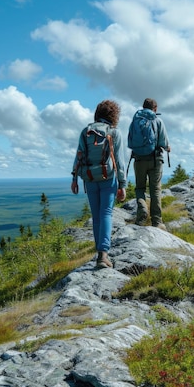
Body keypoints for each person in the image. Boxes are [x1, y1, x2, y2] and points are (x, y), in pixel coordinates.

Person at [71, 100, 127, 268]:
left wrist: (74, 178)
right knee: (106, 214)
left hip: (89, 178)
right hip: (107, 178)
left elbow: (78, 156)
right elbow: (119, 161)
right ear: (114, 116)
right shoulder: (114, 133)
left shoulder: (85, 132)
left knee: (96, 216)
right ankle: (103, 255)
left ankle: (99, 255)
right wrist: (122, 184)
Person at [131, 98, 170, 229]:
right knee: (155, 190)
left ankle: (142, 211)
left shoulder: (136, 121)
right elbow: (163, 141)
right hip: (155, 159)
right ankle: (157, 221)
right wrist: (167, 147)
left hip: (139, 159)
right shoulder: (158, 121)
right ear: (155, 109)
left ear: (143, 107)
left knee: (140, 188)